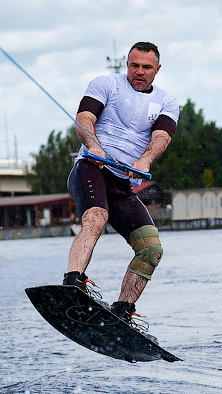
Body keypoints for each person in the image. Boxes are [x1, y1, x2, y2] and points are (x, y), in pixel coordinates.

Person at [64, 41, 179, 330]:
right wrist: (93, 144)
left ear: (158, 69)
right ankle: (73, 283)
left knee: (151, 250)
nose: (139, 72)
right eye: (134, 65)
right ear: (127, 63)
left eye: (146, 67)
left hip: (122, 184)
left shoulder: (167, 102)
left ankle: (122, 311)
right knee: (97, 217)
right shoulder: (106, 84)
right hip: (91, 168)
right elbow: (84, 118)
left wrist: (145, 161)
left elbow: (161, 138)